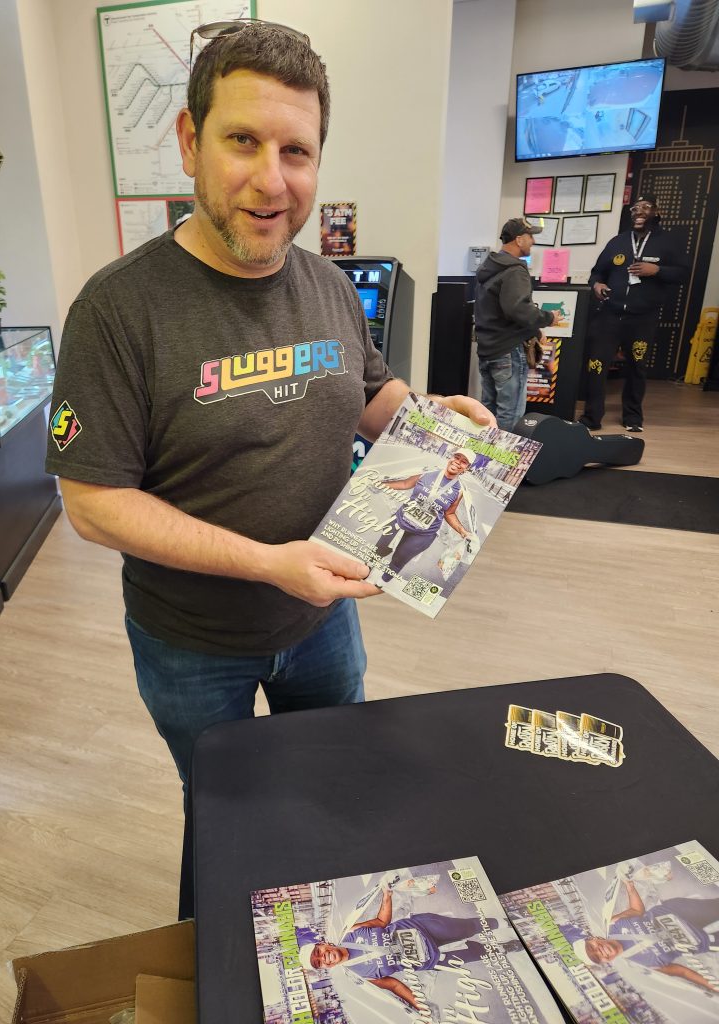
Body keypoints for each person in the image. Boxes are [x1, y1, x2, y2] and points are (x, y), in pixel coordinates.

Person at [45, 18, 494, 912]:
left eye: (297, 151)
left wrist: (432, 418)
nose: (271, 179)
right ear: (190, 141)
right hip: (191, 643)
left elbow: (368, 391)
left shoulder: (329, 285)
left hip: (323, 622)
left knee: (332, 790)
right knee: (229, 822)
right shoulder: (117, 310)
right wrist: (266, 562)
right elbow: (92, 503)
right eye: (242, 141)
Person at [298, 881, 519, 1012]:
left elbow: (381, 922)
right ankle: (505, 948)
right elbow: (394, 986)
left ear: (323, 944)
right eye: (319, 963)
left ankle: (503, 923)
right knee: (476, 953)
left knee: (467, 927)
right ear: (325, 968)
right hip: (431, 959)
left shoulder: (352, 931)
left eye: (318, 952)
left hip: (423, 927)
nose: (323, 958)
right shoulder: (359, 976)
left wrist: (387, 895)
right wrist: (420, 1006)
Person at [579, 193, 688, 432]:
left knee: (637, 367)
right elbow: (597, 272)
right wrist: (597, 285)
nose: (639, 211)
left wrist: (657, 270)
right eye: (635, 208)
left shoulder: (668, 243)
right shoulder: (617, 242)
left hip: (643, 318)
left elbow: (682, 273)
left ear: (657, 212)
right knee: (596, 365)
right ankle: (591, 418)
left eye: (646, 207)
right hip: (609, 315)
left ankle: (632, 417)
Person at [475, 218, 560, 431]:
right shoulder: (515, 270)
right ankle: (505, 453)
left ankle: (485, 451)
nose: (533, 241)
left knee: (487, 412)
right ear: (519, 239)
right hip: (508, 352)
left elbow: (504, 310)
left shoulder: (490, 268)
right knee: (510, 413)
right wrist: (549, 318)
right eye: (530, 237)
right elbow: (518, 309)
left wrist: (535, 330)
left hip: (488, 349)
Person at [573, 877, 719, 994]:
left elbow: (637, 911)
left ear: (593, 939)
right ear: (606, 961)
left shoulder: (614, 924)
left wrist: (631, 888)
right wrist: (713, 986)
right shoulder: (640, 966)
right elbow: (683, 972)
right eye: (597, 957)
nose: (598, 951)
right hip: (705, 940)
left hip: (684, 911)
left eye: (591, 947)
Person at [371, 448, 477, 585]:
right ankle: (365, 568)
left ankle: (380, 583)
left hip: (425, 533)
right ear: (451, 457)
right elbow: (405, 484)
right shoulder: (428, 472)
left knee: (399, 559)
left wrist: (463, 531)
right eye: (457, 457)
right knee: (380, 549)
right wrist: (381, 485)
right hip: (401, 520)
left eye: (463, 462)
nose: (458, 462)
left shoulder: (459, 490)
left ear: (467, 468)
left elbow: (449, 513)